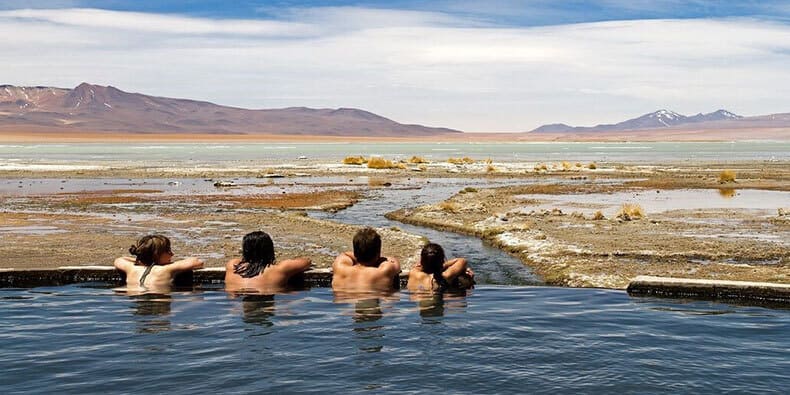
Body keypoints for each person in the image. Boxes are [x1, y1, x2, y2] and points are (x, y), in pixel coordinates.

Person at [224, 231, 312, 292]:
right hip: (267, 303)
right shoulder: (280, 269)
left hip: (239, 304)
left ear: (245, 250)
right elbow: (307, 261)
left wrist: (251, 263)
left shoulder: (233, 266)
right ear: (270, 249)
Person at [114, 234, 204, 291]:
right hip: (159, 300)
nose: (172, 254)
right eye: (168, 251)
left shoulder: (131, 268)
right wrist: (171, 263)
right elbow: (198, 262)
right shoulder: (166, 269)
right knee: (195, 298)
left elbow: (119, 260)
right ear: (157, 255)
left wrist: (143, 260)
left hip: (137, 298)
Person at [331, 227, 401, 292]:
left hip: (346, 303)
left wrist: (360, 254)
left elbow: (344, 254)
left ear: (355, 253)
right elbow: (393, 260)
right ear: (378, 253)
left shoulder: (340, 267)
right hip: (375, 303)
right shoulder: (385, 270)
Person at [407, 243, 474, 293]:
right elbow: (462, 261)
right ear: (442, 260)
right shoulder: (445, 276)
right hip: (436, 304)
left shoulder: (414, 272)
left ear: (422, 260)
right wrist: (443, 265)